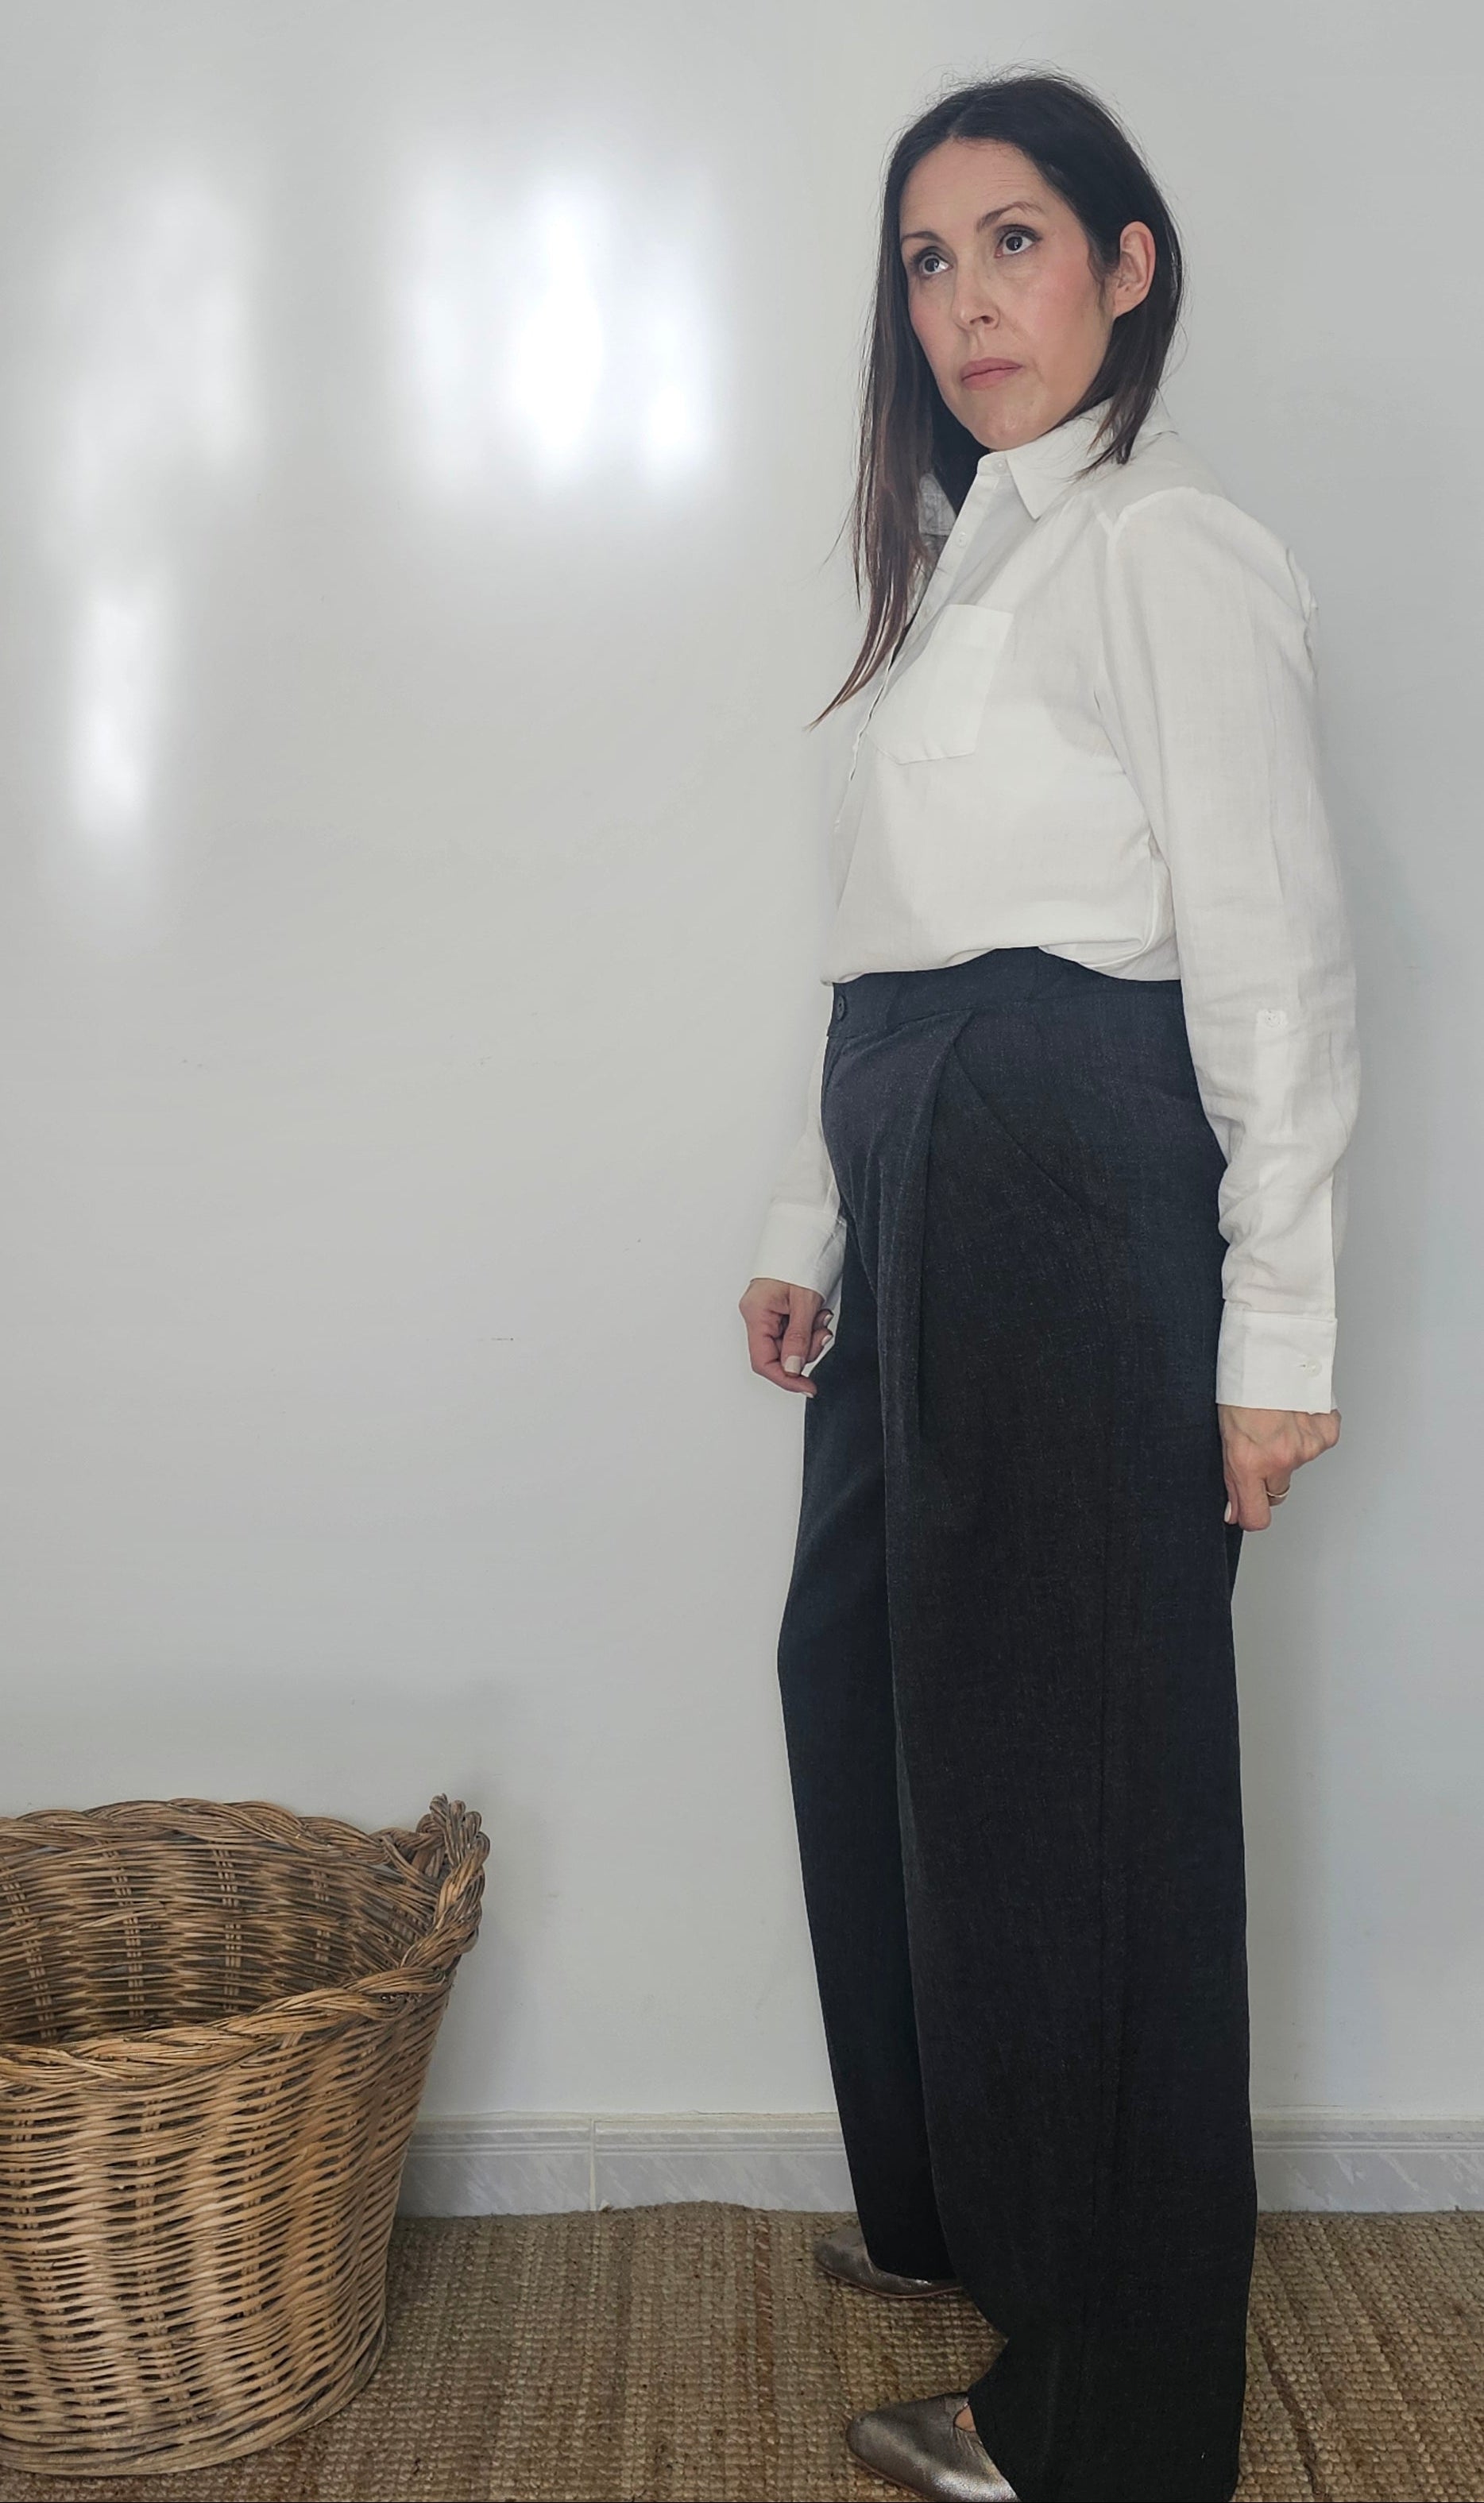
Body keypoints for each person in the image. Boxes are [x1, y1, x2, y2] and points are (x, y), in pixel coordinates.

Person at [736, 69, 1360, 2503]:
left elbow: (1273, 950)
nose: (963, 301)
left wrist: (1274, 1333)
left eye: (1012, 242)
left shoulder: (1166, 546)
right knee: (864, 1696)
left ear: (1122, 265)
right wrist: (810, 1223)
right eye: (926, 260)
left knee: (1071, 1788)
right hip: (923, 1177)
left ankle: (1105, 2425)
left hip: (1071, 1188)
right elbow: (878, 939)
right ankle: (978, 2222)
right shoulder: (966, 567)